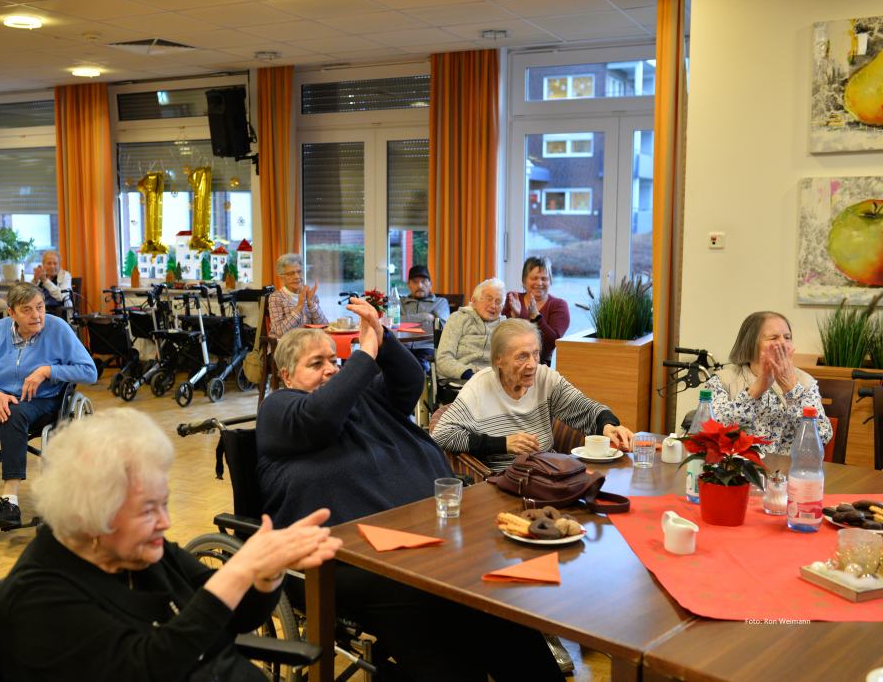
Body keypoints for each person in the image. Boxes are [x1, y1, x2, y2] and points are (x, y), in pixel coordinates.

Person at [256, 299, 563, 682]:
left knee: (496, 599)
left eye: (334, 360)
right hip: (351, 561)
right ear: (286, 375)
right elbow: (321, 417)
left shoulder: (361, 399)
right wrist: (363, 356)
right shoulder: (280, 409)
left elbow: (408, 382)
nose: (332, 369)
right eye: (316, 364)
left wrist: (381, 339)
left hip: (423, 542)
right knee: (434, 610)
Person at [0, 408, 342, 682]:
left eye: (165, 503)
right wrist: (236, 572)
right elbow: (146, 669)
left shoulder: (140, 553)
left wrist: (266, 573)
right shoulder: (38, 601)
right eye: (148, 510)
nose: (166, 522)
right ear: (88, 515)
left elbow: (233, 617)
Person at [0, 282, 96, 531]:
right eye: (27, 310)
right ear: (11, 313)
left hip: (42, 400)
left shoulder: (58, 328)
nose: (36, 315)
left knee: (13, 414)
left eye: (40, 307)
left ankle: (9, 500)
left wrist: (48, 371)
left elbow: (89, 372)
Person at [432, 319, 634, 471]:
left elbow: (585, 408)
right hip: (502, 479)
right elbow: (441, 435)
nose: (532, 364)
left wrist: (609, 426)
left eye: (535, 353)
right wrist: (504, 444)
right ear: (498, 360)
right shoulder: (478, 388)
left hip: (549, 473)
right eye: (522, 356)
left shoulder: (545, 377)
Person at [707, 311, 832, 454]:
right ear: (751, 344)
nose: (783, 343)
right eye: (773, 338)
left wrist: (791, 388)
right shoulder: (722, 381)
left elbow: (822, 436)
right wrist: (754, 391)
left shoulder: (805, 381)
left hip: (788, 471)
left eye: (787, 337)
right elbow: (713, 433)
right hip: (738, 469)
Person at [502, 256, 569, 366]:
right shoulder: (512, 298)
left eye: (544, 279)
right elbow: (499, 334)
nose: (539, 283)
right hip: (508, 361)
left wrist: (536, 317)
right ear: (524, 281)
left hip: (538, 364)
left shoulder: (559, 305)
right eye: (534, 278)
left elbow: (552, 343)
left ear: (550, 281)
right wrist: (514, 316)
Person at [435, 278, 506, 381]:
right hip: (462, 378)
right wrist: (470, 375)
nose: (493, 306)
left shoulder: (503, 326)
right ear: (474, 301)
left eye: (498, 302)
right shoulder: (458, 319)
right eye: (488, 299)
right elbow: (443, 360)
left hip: (495, 379)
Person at [400, 264, 450, 371]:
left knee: (420, 367)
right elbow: (394, 322)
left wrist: (406, 318)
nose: (420, 285)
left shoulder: (440, 302)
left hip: (427, 346)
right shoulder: (400, 303)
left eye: (424, 281)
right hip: (403, 346)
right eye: (415, 282)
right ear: (409, 286)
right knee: (394, 366)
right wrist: (425, 317)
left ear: (430, 284)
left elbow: (443, 326)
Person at [268, 253, 328, 337]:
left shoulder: (311, 296)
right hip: (285, 345)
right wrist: (298, 307)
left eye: (299, 272)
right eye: (291, 273)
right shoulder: (276, 298)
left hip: (309, 343)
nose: (297, 276)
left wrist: (311, 303)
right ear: (282, 279)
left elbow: (324, 326)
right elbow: (280, 331)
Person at [32, 249, 73, 314]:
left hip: (58, 313)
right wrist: (34, 280)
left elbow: (62, 297)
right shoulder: (41, 276)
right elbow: (30, 297)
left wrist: (45, 280)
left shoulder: (65, 276)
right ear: (43, 265)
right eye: (49, 263)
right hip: (39, 311)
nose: (52, 266)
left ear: (59, 265)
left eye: (55, 263)